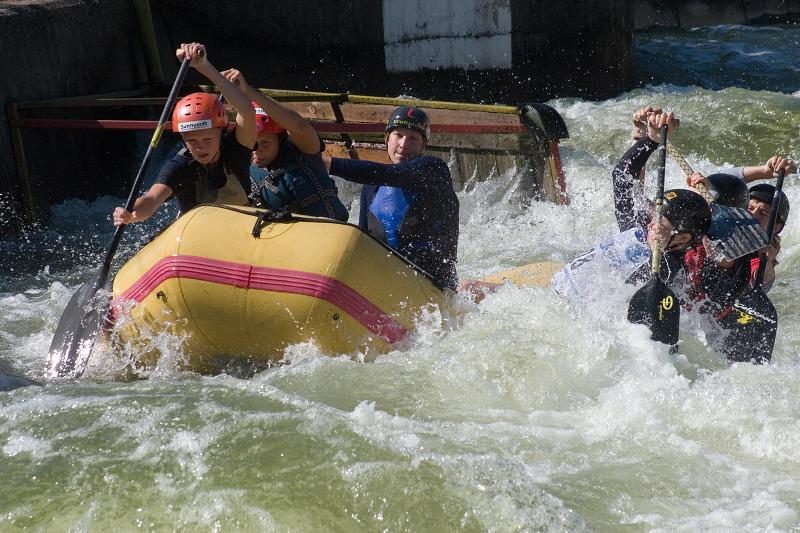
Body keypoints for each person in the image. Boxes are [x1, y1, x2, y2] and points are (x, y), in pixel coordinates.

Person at [113, 43, 256, 226]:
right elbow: (151, 200)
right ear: (183, 140)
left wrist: (203, 66)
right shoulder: (180, 166)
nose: (200, 147)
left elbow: (246, 110)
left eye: (207, 139)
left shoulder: (237, 147)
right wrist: (131, 213)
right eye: (192, 140)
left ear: (221, 132)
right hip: (199, 236)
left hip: (242, 228)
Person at [324, 105, 459, 291]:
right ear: (387, 139)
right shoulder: (371, 187)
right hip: (387, 285)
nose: (404, 144)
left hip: (434, 289)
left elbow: (387, 173)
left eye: (413, 138)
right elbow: (363, 241)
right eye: (398, 135)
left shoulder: (434, 170)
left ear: (423, 146)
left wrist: (325, 163)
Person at [222, 69, 348, 221]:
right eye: (252, 144)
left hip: (334, 231)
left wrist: (248, 91)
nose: (256, 150)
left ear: (280, 139)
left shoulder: (305, 150)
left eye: (265, 142)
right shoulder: (240, 166)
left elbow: (299, 125)